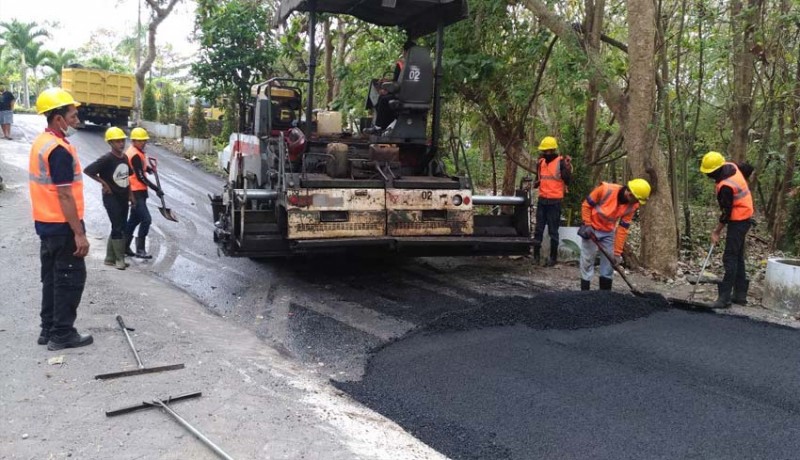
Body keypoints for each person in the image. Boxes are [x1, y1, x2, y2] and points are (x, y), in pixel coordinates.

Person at [28, 87, 93, 350]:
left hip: (45, 225)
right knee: (69, 279)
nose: (77, 120)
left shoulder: (41, 142)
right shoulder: (59, 151)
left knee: (52, 278)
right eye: (73, 115)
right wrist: (79, 233)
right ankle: (62, 333)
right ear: (58, 119)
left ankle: (48, 329)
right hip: (63, 226)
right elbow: (65, 195)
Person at [700, 151, 754, 308]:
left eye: (709, 173)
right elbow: (748, 168)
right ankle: (740, 296)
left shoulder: (726, 187)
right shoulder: (731, 166)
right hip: (745, 214)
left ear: (715, 171)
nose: (708, 176)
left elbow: (726, 213)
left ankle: (724, 298)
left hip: (739, 219)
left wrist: (716, 232)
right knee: (737, 256)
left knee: (729, 257)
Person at [577, 178, 651, 291]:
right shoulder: (605, 190)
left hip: (608, 232)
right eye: (636, 200)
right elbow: (586, 205)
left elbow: (623, 228)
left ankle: (606, 296)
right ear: (629, 194)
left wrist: (617, 253)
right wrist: (587, 224)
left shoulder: (632, 206)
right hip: (592, 229)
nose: (637, 203)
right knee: (587, 261)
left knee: (608, 265)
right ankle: (584, 294)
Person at [84, 127, 132, 270]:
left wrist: (131, 195)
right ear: (110, 143)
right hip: (111, 198)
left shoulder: (124, 158)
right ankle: (119, 259)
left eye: (122, 140)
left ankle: (109, 258)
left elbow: (127, 178)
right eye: (117, 141)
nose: (121, 144)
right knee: (117, 225)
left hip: (123, 196)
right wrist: (103, 183)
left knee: (121, 225)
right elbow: (88, 170)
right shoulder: (106, 159)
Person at [532, 136, 572, 266]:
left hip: (554, 202)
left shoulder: (561, 163)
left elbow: (568, 180)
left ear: (553, 150)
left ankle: (553, 258)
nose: (546, 153)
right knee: (538, 229)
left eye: (548, 151)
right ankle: (536, 256)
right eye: (544, 151)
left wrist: (567, 167)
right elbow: (538, 180)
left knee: (553, 231)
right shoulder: (541, 163)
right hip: (542, 201)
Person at [125, 127, 163, 259]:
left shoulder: (136, 151)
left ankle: (124, 246)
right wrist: (156, 188)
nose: (143, 143)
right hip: (136, 191)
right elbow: (140, 176)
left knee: (134, 220)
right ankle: (140, 249)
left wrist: (148, 169)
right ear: (134, 141)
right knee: (146, 219)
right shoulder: (135, 154)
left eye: (144, 140)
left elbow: (140, 168)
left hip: (138, 190)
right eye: (140, 141)